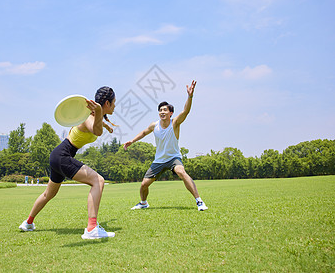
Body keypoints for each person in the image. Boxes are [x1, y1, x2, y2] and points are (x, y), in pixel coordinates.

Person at [19, 86, 117, 239]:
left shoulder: (90, 116)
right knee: (98, 181)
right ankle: (92, 228)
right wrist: (100, 116)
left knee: (48, 194)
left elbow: (97, 125)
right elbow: (96, 131)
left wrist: (106, 125)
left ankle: (28, 223)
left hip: (57, 155)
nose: (115, 106)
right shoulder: (89, 118)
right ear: (106, 104)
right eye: (114, 103)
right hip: (63, 155)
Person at [123, 80, 208, 211]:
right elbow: (144, 132)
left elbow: (186, 111)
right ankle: (143, 203)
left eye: (165, 110)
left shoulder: (175, 123)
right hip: (159, 160)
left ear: (170, 113)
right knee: (144, 184)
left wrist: (190, 96)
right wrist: (132, 141)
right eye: (160, 110)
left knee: (182, 172)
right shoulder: (154, 125)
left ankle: (199, 201)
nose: (162, 112)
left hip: (173, 157)